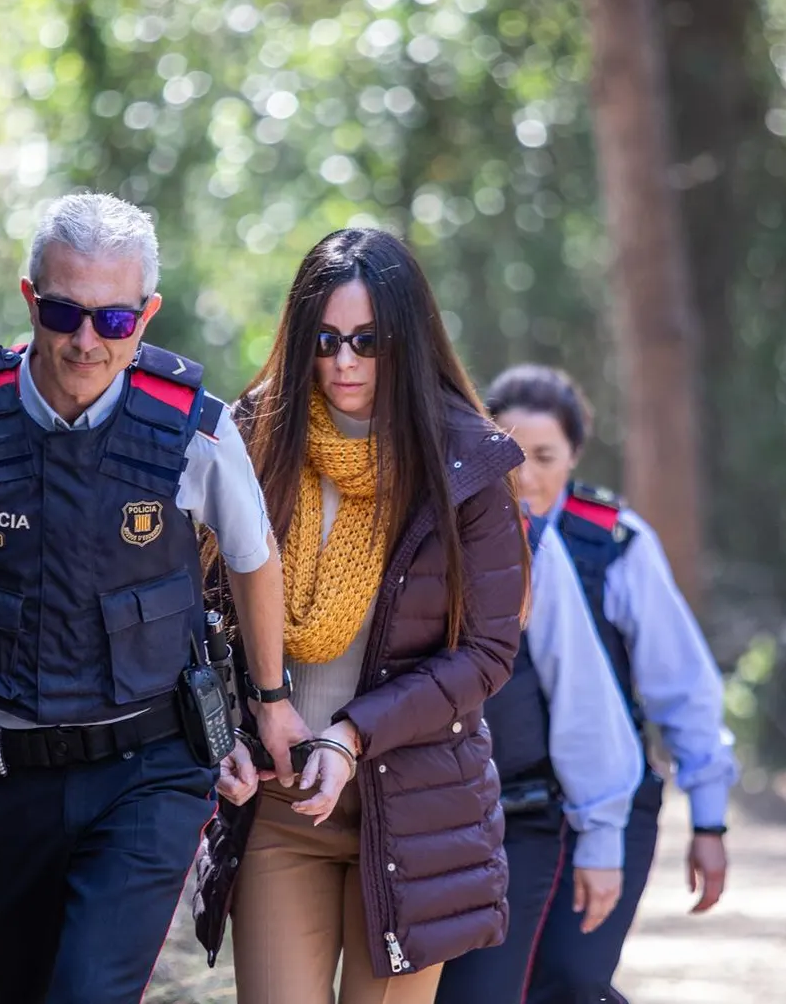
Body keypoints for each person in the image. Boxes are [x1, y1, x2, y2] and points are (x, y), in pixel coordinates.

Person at [0, 192, 296, 1004]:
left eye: (113, 321)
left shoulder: (197, 431)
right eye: (63, 312)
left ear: (145, 316)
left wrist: (272, 698)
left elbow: (256, 560)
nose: (85, 340)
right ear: (29, 300)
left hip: (148, 772)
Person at [190, 227, 531, 1004]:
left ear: (406, 341)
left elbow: (485, 652)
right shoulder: (250, 439)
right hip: (280, 805)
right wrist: (223, 736)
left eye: (368, 341)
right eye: (327, 338)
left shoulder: (467, 463)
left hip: (414, 809)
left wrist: (350, 734)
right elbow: (199, 614)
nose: (344, 361)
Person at [487, 363, 738, 1004]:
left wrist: (709, 824)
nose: (528, 473)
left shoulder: (617, 544)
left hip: (610, 803)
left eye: (545, 455)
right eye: (512, 452)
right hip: (502, 804)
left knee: (571, 981)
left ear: (574, 453)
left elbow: (683, 689)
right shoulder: (471, 537)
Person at [434, 512, 643, 1004]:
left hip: (514, 821)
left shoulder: (530, 539)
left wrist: (602, 836)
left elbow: (582, 697)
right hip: (395, 819)